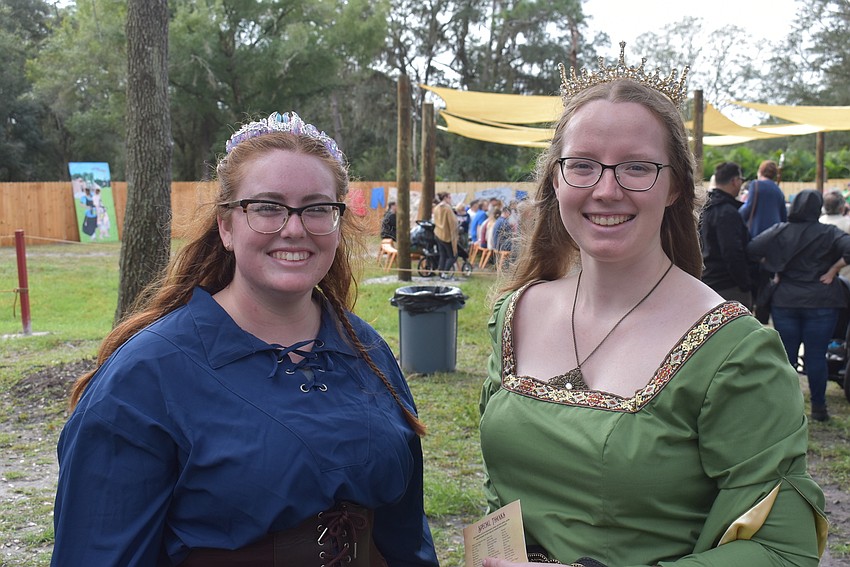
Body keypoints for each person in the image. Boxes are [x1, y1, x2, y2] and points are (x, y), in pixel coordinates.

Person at [480, 42, 826, 567]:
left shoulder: (734, 354)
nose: (606, 189)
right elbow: (502, 493)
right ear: (556, 178)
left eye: (636, 168)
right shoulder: (516, 314)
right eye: (583, 165)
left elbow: (783, 550)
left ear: (674, 188)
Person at [51, 111, 439, 567]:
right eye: (267, 208)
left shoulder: (366, 350)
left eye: (317, 208)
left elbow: (406, 533)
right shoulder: (145, 376)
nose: (294, 228)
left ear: (338, 222)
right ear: (226, 225)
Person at [747, 189, 850, 423]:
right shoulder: (829, 232)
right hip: (822, 301)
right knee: (816, 357)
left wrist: (776, 267)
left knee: (786, 358)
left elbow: (752, 250)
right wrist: (833, 269)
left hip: (786, 301)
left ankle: (786, 410)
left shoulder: (780, 230)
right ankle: (819, 408)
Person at [699, 161, 753, 305]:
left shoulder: (703, 207)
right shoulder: (727, 212)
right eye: (741, 180)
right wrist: (745, 283)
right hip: (727, 286)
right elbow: (732, 251)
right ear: (735, 181)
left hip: (705, 281)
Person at [738, 159, 787, 238]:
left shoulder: (756, 185)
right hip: (774, 234)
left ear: (760, 171)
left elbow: (748, 207)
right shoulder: (778, 191)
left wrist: (736, 216)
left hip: (757, 231)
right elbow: (783, 217)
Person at [433, 191, 458, 279]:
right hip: (446, 235)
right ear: (446, 198)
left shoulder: (436, 208)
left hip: (437, 233)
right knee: (453, 256)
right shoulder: (447, 208)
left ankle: (440, 272)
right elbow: (453, 222)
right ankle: (445, 272)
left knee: (442, 254)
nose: (451, 199)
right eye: (450, 197)